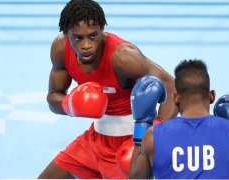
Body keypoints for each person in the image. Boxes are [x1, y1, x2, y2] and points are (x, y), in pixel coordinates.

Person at [38, 0, 177, 178]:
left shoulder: (123, 56)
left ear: (102, 28)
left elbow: (171, 86)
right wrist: (69, 104)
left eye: (93, 35)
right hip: (95, 139)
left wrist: (151, 135)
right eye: (78, 38)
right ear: (66, 34)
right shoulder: (60, 49)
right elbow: (53, 97)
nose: (86, 44)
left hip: (130, 142)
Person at [128, 59, 229, 179]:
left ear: (176, 98)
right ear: (212, 96)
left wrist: (142, 123)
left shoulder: (153, 136)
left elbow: (136, 178)